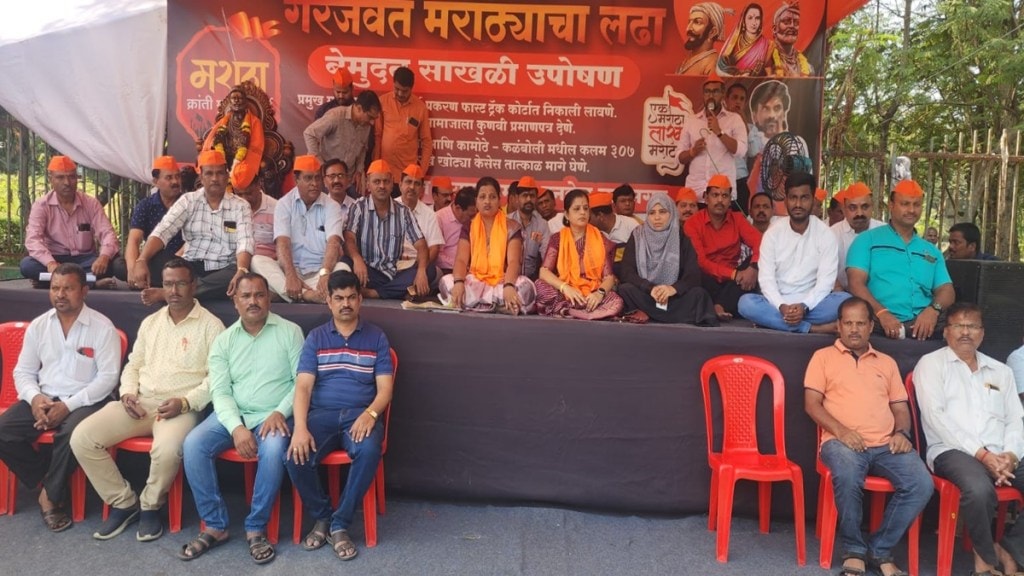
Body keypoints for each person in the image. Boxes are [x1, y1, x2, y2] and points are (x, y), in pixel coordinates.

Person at [70, 258, 225, 541]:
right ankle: (123, 502)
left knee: (166, 450)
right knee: (82, 437)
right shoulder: (151, 323)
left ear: (194, 285)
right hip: (140, 402)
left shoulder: (211, 327)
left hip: (180, 408)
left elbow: (216, 380)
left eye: (180, 283)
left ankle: (150, 505)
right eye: (167, 284)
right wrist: (128, 392)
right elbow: (133, 364)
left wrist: (185, 403)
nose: (174, 290)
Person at [179, 273, 304, 565]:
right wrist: (236, 427)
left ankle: (256, 527)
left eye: (259, 295)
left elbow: (301, 383)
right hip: (234, 414)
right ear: (235, 302)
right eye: (246, 296)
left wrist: (279, 412)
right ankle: (214, 525)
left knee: (273, 451)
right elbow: (219, 391)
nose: (253, 301)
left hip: (273, 415)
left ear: (268, 298)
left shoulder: (291, 332)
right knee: (194, 444)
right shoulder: (224, 341)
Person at [805, 296, 933, 576]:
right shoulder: (822, 358)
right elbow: (811, 404)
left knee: (921, 483)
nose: (854, 329)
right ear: (838, 326)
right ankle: (853, 549)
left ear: (870, 326)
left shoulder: (885, 363)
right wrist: (842, 431)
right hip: (841, 443)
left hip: (887, 445)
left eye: (860, 323)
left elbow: (900, 406)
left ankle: (879, 549)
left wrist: (902, 432)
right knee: (848, 473)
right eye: (848, 323)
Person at [0, 263, 120, 532]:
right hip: (45, 397)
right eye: (55, 288)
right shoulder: (39, 326)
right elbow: (24, 371)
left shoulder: (102, 327)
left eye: (68, 288)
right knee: (3, 431)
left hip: (88, 399)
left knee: (72, 434)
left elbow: (108, 379)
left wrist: (68, 406)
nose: (60, 294)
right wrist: (34, 400)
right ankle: (50, 480)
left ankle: (49, 498)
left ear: (84, 291)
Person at [285, 270, 393, 560]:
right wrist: (300, 427)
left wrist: (370, 414)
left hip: (359, 415)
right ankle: (322, 515)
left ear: (360, 300)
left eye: (351, 297)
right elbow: (304, 387)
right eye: (339, 298)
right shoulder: (316, 338)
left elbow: (385, 390)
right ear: (329, 302)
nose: (346, 303)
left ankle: (340, 522)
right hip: (322, 415)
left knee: (369, 450)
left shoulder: (376, 337)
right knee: (294, 452)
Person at [915, 302, 1024, 576]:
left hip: (1000, 452)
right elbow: (936, 418)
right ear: (946, 332)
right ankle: (985, 562)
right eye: (958, 326)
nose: (966, 332)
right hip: (952, 450)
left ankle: (1011, 549)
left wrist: (1010, 456)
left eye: (972, 326)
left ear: (982, 333)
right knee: (978, 488)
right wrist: (982, 455)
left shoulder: (1001, 372)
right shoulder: (931, 365)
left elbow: (1015, 419)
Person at [136, 150, 254, 305]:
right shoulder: (188, 200)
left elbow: (245, 242)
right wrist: (142, 260)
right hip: (188, 267)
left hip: (223, 269)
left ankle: (170, 293)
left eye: (219, 173)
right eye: (209, 174)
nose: (214, 179)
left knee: (239, 276)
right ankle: (191, 289)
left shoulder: (240, 206)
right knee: (144, 262)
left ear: (227, 176)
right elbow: (163, 230)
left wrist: (241, 270)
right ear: (201, 177)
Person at [738, 172, 849, 333]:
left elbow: (825, 282)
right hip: (777, 304)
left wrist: (804, 306)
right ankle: (811, 328)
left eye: (804, 198)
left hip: (813, 305)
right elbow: (766, 280)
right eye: (793, 198)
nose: (798, 204)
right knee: (746, 303)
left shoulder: (826, 234)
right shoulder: (772, 234)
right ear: (786, 201)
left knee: (845, 302)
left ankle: (774, 323)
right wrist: (782, 306)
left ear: (812, 200)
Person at [847, 179, 954, 340]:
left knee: (962, 324)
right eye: (905, 204)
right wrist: (882, 313)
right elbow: (855, 284)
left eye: (916, 205)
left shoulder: (932, 251)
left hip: (924, 324)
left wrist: (933, 310)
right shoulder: (867, 240)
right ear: (891, 205)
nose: (911, 210)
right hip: (877, 321)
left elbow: (946, 290)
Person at [252, 155, 348, 304]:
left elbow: (334, 242)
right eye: (308, 178)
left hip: (320, 272)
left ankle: (286, 293)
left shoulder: (332, 206)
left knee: (344, 269)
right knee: (257, 261)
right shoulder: (284, 204)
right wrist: (291, 276)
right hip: (291, 271)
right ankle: (307, 295)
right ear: (296, 180)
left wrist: (325, 273)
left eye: (317, 178)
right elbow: (282, 242)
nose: (314, 184)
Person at [438, 177, 536, 314]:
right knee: (446, 282)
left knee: (526, 288)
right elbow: (461, 259)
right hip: (476, 281)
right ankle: (498, 306)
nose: (487, 201)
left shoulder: (512, 227)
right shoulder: (469, 226)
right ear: (476, 201)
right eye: (482, 197)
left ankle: (476, 304)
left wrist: (509, 286)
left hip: (502, 282)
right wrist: (459, 282)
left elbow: (514, 262)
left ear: (499, 200)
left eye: (492, 197)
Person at [618, 193, 718, 325]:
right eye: (652, 213)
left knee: (699, 294)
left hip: (674, 298)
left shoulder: (681, 237)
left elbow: (692, 274)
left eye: (662, 212)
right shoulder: (638, 235)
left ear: (671, 213)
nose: (657, 217)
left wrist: (672, 289)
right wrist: (650, 288)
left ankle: (649, 314)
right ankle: (673, 316)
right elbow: (627, 271)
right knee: (625, 289)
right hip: (647, 295)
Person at [21, 155, 119, 285]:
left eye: (71, 177)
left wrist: (104, 257)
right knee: (27, 265)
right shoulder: (41, 205)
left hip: (86, 260)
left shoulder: (91, 203)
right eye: (60, 177)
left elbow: (107, 233)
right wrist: (50, 263)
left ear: (77, 179)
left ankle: (50, 283)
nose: (67, 182)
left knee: (116, 264)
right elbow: (33, 240)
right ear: (51, 179)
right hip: (56, 260)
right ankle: (91, 283)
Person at [342, 159, 433, 299]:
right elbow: (349, 238)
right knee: (344, 264)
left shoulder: (403, 212)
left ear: (392, 184)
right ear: (368, 184)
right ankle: (396, 292)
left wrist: (421, 271)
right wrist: (356, 259)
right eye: (376, 182)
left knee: (430, 270)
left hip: (391, 274)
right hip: (365, 272)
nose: (382, 186)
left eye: (386, 181)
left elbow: (421, 245)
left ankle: (374, 293)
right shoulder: (358, 207)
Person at [535, 189, 623, 320]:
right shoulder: (557, 239)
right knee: (540, 286)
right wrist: (565, 287)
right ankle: (585, 313)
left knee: (617, 301)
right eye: (576, 209)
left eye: (586, 208)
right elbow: (544, 271)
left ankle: (567, 311)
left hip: (591, 294)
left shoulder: (600, 239)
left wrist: (599, 294)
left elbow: (609, 277)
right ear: (566, 214)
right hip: (567, 293)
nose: (582, 212)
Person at [684, 174, 762, 319]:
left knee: (757, 261)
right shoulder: (693, 223)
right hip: (706, 278)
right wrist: (733, 274)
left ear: (730, 200)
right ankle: (722, 305)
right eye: (715, 195)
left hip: (732, 283)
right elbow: (701, 262)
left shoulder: (737, 219)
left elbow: (760, 242)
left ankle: (718, 306)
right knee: (693, 270)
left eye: (725, 196)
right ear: (706, 198)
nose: (720, 200)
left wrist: (753, 267)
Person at [111, 156, 185, 289]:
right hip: (151, 260)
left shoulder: (189, 203)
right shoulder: (145, 205)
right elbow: (134, 240)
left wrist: (175, 262)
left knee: (176, 266)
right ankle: (148, 280)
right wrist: (133, 270)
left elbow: (191, 242)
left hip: (181, 259)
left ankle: (154, 281)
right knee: (119, 266)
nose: (175, 181)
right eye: (169, 178)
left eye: (178, 177)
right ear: (156, 181)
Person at [675, 71, 748, 202]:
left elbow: (741, 151)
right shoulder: (692, 121)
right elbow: (679, 157)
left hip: (722, 194)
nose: (711, 95)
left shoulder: (734, 119)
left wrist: (719, 132)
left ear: (723, 94)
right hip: (695, 193)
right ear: (703, 95)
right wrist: (692, 152)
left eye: (715, 92)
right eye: (707, 92)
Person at [303, 90, 381, 186]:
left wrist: (359, 170)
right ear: (359, 108)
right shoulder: (336, 116)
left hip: (349, 179)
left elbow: (362, 149)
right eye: (370, 117)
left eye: (374, 118)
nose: (372, 122)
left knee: (359, 200)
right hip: (327, 177)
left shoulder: (366, 125)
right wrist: (321, 164)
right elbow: (309, 134)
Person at [373, 66, 432, 188]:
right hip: (385, 173)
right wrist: (375, 166)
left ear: (411, 88)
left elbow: (426, 142)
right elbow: (377, 136)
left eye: (404, 91)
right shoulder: (382, 102)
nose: (400, 93)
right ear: (393, 84)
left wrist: (421, 171)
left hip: (408, 175)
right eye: (397, 89)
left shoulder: (420, 108)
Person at [200, 86, 264, 189]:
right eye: (234, 98)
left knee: (243, 174)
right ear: (230, 102)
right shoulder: (224, 122)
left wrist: (238, 161)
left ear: (245, 102)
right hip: (224, 158)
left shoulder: (254, 122)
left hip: (243, 160)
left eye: (240, 98)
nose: (237, 101)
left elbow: (256, 146)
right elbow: (215, 140)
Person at [831, 182, 884, 290]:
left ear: (872, 207)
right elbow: (825, 271)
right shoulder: (831, 234)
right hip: (843, 295)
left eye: (865, 207)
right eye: (852, 208)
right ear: (844, 209)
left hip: (879, 295)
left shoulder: (884, 232)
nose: (859, 213)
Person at [395, 164, 444, 275]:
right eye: (408, 182)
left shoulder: (430, 215)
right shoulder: (389, 208)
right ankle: (404, 290)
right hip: (392, 264)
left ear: (422, 189)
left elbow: (434, 248)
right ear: (400, 185)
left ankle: (382, 292)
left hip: (417, 265)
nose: (412, 187)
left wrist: (420, 269)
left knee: (431, 272)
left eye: (417, 184)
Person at [508, 177, 551, 279]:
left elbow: (547, 257)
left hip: (532, 280)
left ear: (536, 198)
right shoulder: (507, 221)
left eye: (532, 196)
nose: (528, 199)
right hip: (507, 277)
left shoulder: (542, 225)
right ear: (517, 198)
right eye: (524, 196)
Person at [676, 2, 730, 75]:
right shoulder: (687, 60)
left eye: (697, 22)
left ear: (712, 32)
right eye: (689, 22)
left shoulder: (713, 64)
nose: (688, 28)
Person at [717, 3, 770, 76]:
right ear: (743, 20)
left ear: (761, 21)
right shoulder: (733, 43)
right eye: (750, 18)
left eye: (757, 18)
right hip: (733, 84)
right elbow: (720, 67)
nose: (754, 23)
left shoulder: (767, 45)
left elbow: (771, 70)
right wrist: (737, 74)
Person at [233, 177, 277, 265]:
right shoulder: (230, 208)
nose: (244, 199)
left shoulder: (277, 208)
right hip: (236, 264)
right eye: (239, 195)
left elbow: (285, 246)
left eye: (248, 193)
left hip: (268, 265)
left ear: (259, 184)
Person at [435, 186, 478, 274]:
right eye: (470, 216)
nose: (473, 219)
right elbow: (436, 255)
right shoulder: (439, 218)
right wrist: (459, 265)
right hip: (448, 269)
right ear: (458, 208)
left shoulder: (477, 220)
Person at [724, 83, 753, 209]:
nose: (738, 102)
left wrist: (744, 123)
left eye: (741, 99)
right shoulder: (718, 125)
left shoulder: (751, 128)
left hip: (740, 180)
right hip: (721, 181)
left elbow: (753, 152)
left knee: (739, 222)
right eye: (734, 98)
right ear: (726, 100)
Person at [765, 3, 813, 77]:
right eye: (786, 22)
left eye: (796, 22)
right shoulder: (765, 61)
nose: (792, 26)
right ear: (774, 29)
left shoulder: (808, 68)